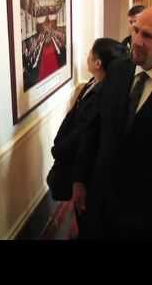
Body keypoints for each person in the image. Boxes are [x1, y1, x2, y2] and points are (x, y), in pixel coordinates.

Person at [76, 6, 152, 239]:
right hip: (98, 197)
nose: (136, 40)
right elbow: (94, 127)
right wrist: (80, 179)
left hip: (143, 211)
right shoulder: (117, 69)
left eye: (148, 36)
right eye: (136, 30)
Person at [47, 38, 127, 204]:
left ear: (98, 63)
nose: (87, 56)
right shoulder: (93, 82)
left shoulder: (104, 95)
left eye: (90, 54)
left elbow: (84, 132)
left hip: (80, 166)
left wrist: (60, 149)